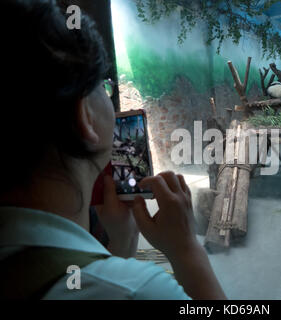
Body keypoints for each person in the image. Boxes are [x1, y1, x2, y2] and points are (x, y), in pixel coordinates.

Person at [0, 0, 226, 300]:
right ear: (84, 116)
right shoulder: (143, 291)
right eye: (104, 87)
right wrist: (186, 248)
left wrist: (122, 242)